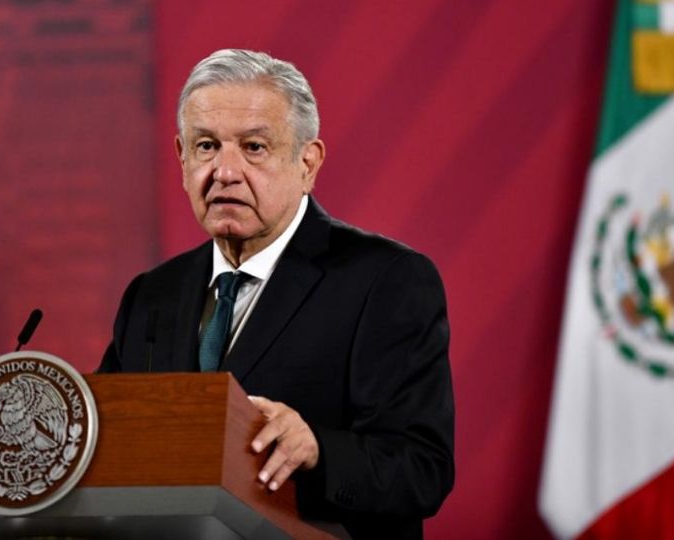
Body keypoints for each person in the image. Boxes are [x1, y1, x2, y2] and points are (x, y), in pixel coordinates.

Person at [98, 49, 454, 539]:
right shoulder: (152, 295)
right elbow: (106, 443)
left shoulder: (386, 280)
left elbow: (422, 470)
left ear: (307, 163)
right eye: (206, 146)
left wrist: (318, 451)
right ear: (181, 158)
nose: (224, 171)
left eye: (254, 148)